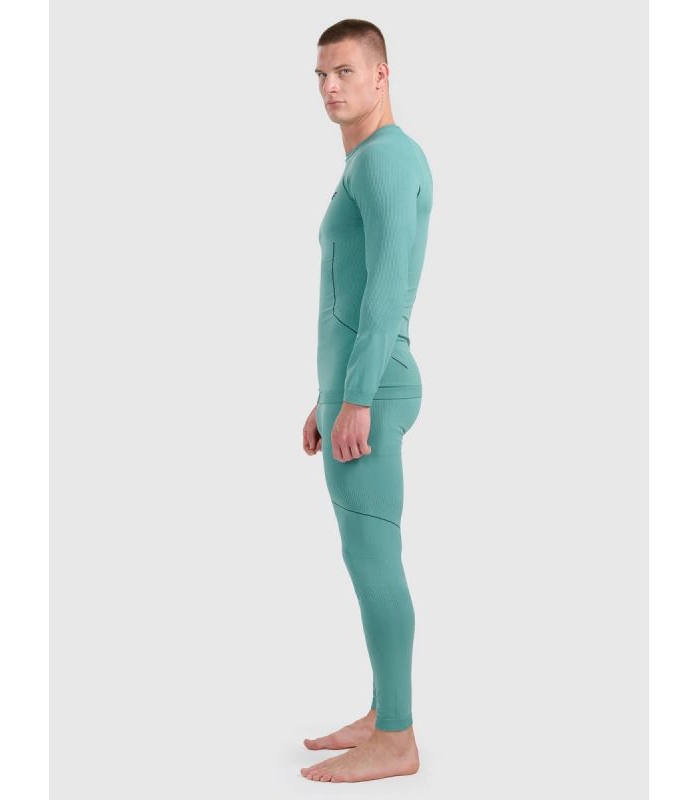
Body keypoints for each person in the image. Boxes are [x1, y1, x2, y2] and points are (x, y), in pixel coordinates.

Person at [300, 19, 433, 783]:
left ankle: (398, 737)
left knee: (374, 558)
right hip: (359, 387)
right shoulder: (373, 160)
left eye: (345, 71)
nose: (330, 87)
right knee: (367, 555)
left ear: (381, 75)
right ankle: (383, 713)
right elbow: (349, 299)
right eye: (320, 75)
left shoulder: (383, 159)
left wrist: (355, 397)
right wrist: (326, 396)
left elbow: (383, 292)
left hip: (374, 390)